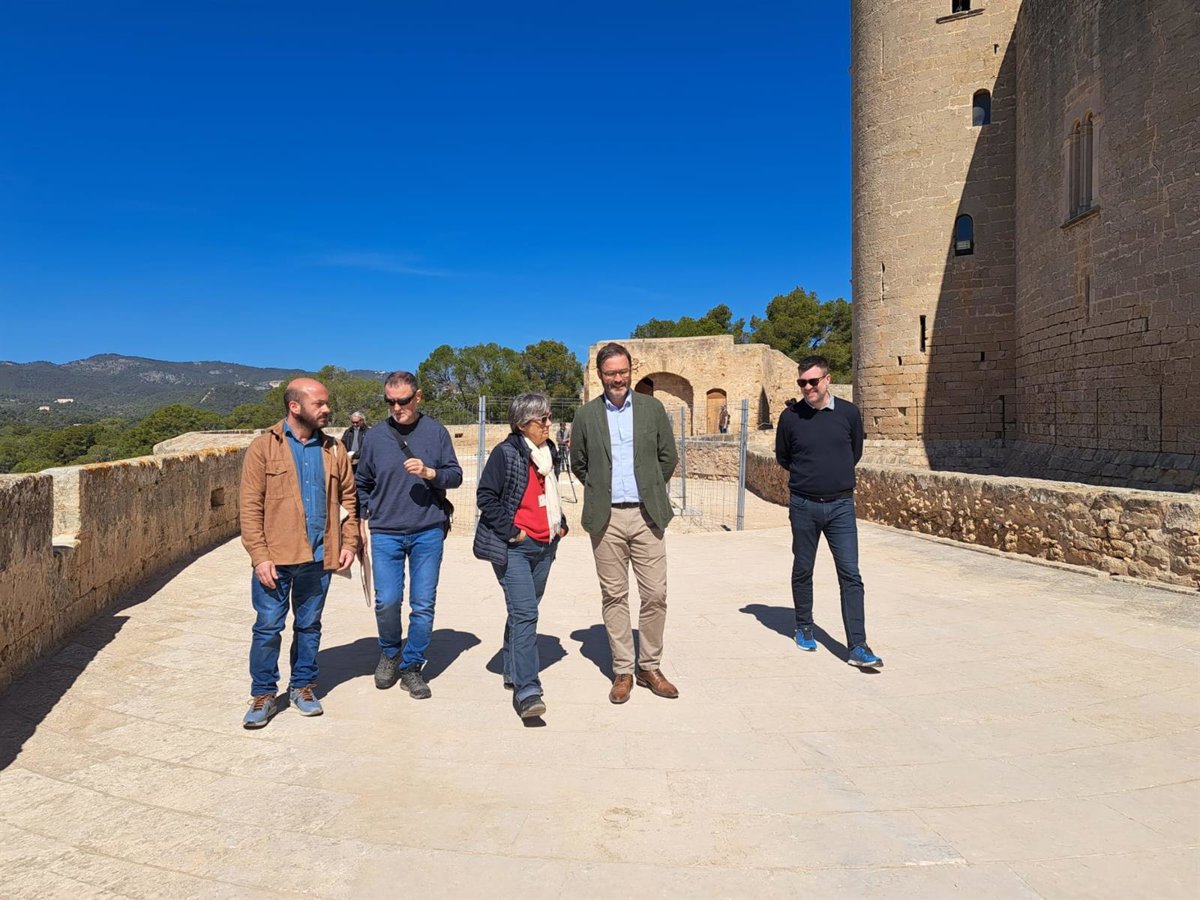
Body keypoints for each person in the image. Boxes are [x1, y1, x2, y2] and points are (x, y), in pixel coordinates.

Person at [239, 377, 359, 728]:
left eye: (326, 403)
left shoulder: (334, 449)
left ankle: (302, 686)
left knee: (309, 626)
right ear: (295, 407)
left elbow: (350, 500)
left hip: (320, 556)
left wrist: (349, 542)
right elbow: (249, 507)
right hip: (275, 559)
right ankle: (263, 693)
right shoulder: (263, 448)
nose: (327, 409)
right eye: (319, 404)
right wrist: (259, 555)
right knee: (268, 627)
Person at [571, 342, 679, 704]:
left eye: (623, 371)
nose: (618, 379)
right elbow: (579, 463)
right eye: (610, 373)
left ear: (631, 370)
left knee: (656, 594)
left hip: (648, 515)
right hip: (607, 518)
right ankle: (623, 670)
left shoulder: (652, 409)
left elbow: (668, 457)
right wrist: (600, 489)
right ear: (599, 375)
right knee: (614, 595)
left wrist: (650, 487)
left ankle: (650, 666)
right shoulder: (586, 415)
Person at [355, 371, 463, 699]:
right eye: (390, 402)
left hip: (427, 530)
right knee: (386, 600)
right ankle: (390, 652)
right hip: (385, 531)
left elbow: (455, 475)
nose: (396, 408)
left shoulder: (436, 432)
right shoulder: (375, 437)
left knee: (423, 603)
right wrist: (360, 520)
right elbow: (362, 483)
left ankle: (412, 665)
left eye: (402, 401)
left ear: (418, 397)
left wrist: (430, 472)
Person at [775, 355, 883, 668]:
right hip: (803, 505)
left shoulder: (848, 413)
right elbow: (783, 457)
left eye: (813, 381)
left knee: (850, 574)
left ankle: (858, 645)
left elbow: (854, 452)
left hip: (841, 506)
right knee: (803, 568)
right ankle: (804, 626)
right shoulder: (790, 417)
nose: (807, 387)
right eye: (802, 383)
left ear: (827, 379)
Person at [474, 393, 569, 719]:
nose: (549, 424)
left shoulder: (549, 451)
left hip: (546, 545)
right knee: (526, 613)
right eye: (542, 419)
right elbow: (486, 496)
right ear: (522, 424)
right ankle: (528, 690)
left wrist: (560, 523)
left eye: (548, 417)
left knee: (522, 610)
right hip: (514, 547)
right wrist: (512, 531)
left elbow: (550, 492)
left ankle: (512, 667)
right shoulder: (505, 454)